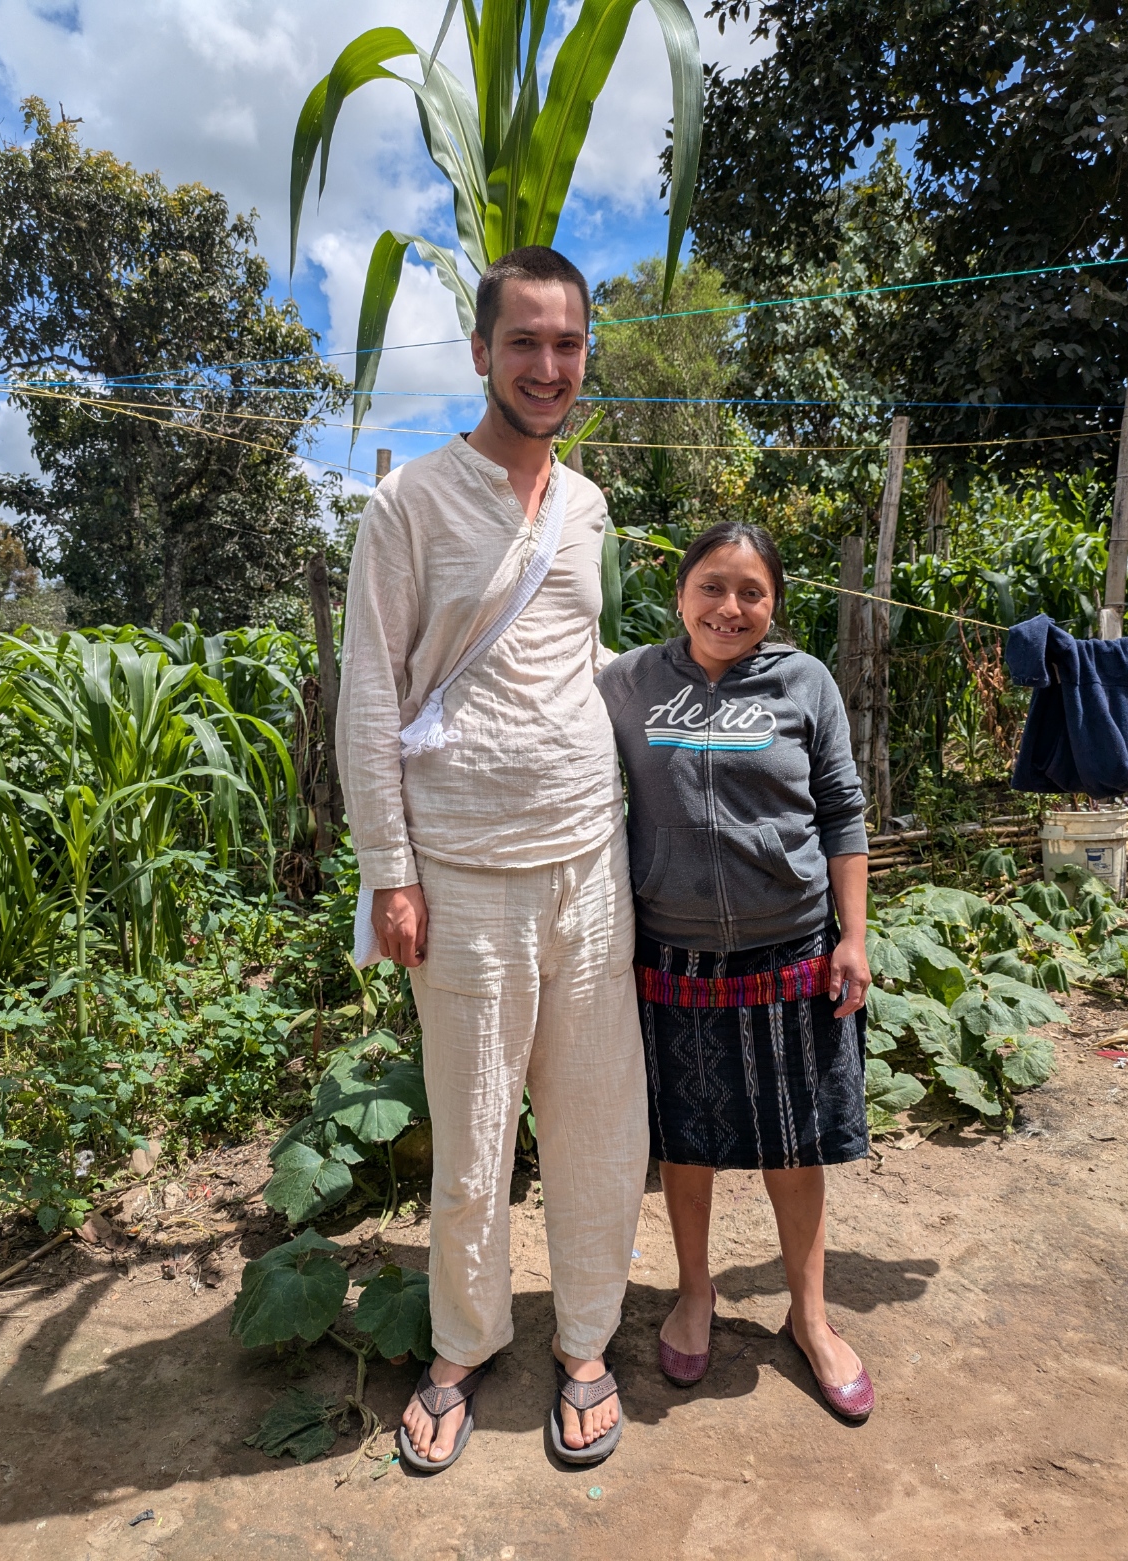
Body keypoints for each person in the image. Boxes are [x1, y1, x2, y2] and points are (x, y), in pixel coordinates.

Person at [337, 246, 648, 1470]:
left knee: (594, 1120)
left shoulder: (588, 508)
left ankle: (583, 1339)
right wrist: (388, 869)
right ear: (478, 353)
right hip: (457, 873)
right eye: (522, 341)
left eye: (565, 344)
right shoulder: (407, 502)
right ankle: (462, 1342)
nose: (545, 364)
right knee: (469, 1136)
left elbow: (586, 662)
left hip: (588, 857)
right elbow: (370, 694)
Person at [596, 521, 876, 1421]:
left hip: (790, 947)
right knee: (687, 1136)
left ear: (774, 604)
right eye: (713, 586)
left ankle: (811, 1314)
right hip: (670, 951)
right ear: (680, 592)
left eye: (751, 592)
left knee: (795, 1143)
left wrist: (853, 935)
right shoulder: (629, 682)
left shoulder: (806, 683)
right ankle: (694, 1292)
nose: (731, 607)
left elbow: (842, 813)